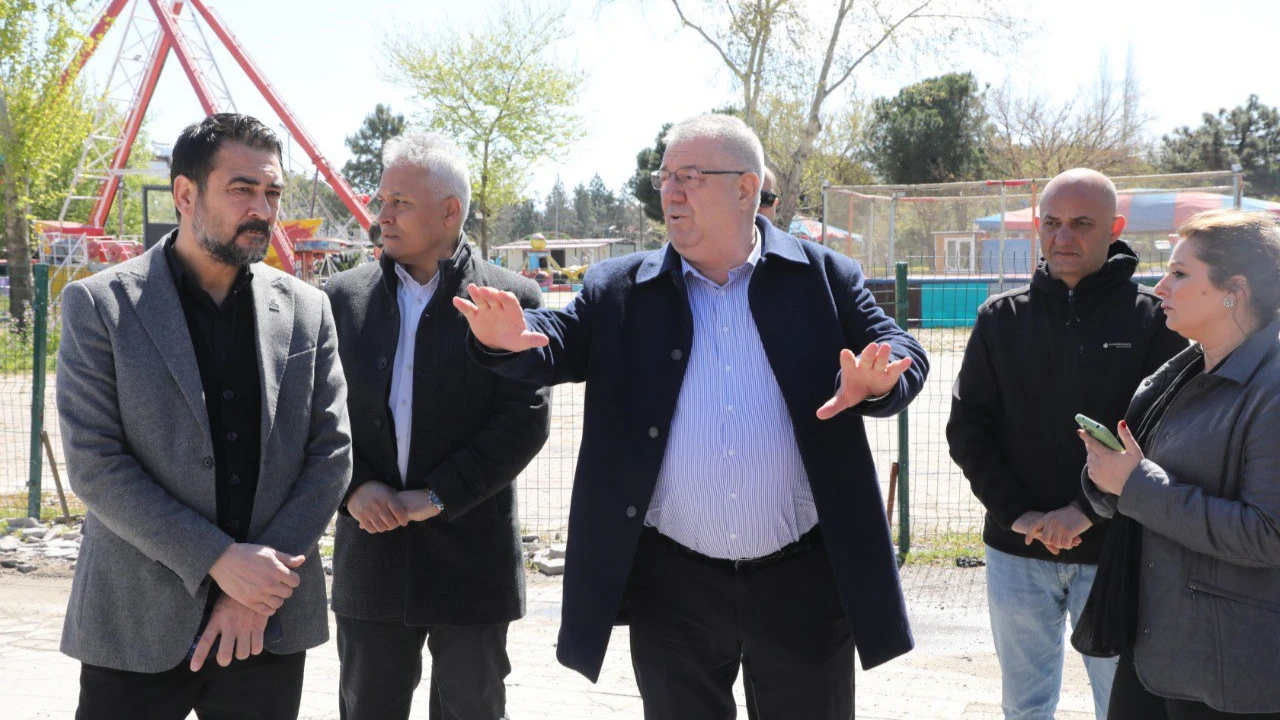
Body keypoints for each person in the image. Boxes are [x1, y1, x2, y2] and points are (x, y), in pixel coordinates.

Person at [454, 113, 928, 719]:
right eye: (666, 177)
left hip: (804, 584)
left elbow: (900, 348)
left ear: (746, 188)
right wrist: (506, 339)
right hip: (673, 588)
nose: (671, 193)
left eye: (691, 177)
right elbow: (552, 338)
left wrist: (882, 380)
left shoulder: (823, 278)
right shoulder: (619, 288)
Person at [55, 113, 352, 719]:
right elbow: (95, 464)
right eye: (242, 189)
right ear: (185, 194)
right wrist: (218, 560)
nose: (262, 209)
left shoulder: (307, 309)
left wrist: (256, 587)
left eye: (272, 192)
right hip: (136, 624)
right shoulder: (101, 305)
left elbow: (331, 454)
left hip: (267, 624)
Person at [324, 132, 551, 720]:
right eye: (382, 201)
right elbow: (316, 415)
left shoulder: (509, 298)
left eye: (400, 202)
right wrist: (354, 488)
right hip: (371, 556)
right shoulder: (341, 299)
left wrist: (438, 494)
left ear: (450, 211)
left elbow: (524, 420)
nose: (382, 216)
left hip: (472, 562)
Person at [947, 168, 1186, 720]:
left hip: (1117, 552)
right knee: (1025, 707)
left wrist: (1086, 511)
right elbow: (968, 430)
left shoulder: (1154, 319)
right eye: (1051, 222)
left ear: (1115, 228)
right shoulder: (1000, 318)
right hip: (1017, 551)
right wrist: (1020, 515)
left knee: (1122, 708)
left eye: (1081, 224)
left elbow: (1166, 434)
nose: (1062, 237)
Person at [1081, 210, 1280, 719]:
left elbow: (1268, 534)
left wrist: (1135, 485)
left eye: (1180, 273)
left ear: (1234, 289)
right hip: (1157, 645)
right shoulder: (1185, 369)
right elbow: (1139, 488)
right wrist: (1108, 478)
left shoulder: (1272, 390)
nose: (1160, 286)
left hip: (1230, 670)